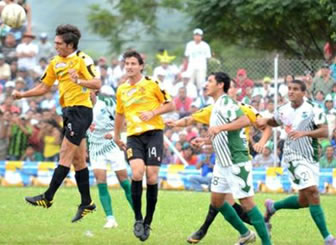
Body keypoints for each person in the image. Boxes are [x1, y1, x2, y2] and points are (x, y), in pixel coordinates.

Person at [167, 73, 271, 245]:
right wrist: (207, 139)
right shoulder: (215, 106)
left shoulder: (227, 102)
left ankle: (267, 242)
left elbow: (244, 121)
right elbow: (224, 133)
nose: (206, 84)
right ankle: (245, 234)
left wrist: (219, 128)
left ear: (221, 85)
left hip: (236, 161)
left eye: (210, 81)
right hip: (222, 163)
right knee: (217, 201)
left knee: (247, 203)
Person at [12, 24, 101, 222]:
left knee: (64, 154)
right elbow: (44, 87)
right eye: (55, 43)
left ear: (70, 45)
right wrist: (22, 94)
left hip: (81, 111)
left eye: (59, 43)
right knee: (78, 160)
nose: (55, 46)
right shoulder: (55, 62)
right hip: (68, 112)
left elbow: (97, 83)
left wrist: (79, 81)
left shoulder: (83, 60)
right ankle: (87, 203)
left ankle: (48, 196)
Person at [257, 79, 336, 244]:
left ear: (303, 93)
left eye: (295, 89)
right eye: (289, 89)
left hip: (311, 158)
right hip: (292, 157)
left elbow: (325, 130)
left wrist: (304, 133)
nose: (291, 91)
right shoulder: (283, 110)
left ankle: (273, 206)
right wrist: (265, 120)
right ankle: (328, 238)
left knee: (304, 200)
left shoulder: (314, 108)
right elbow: (274, 121)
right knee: (313, 192)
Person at [113, 50, 174, 241]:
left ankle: (148, 220)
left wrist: (153, 113)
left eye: (133, 63)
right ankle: (138, 219)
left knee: (152, 175)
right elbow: (120, 114)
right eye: (127, 64)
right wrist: (116, 135)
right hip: (133, 137)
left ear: (140, 66)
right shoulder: (121, 89)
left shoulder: (151, 83)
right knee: (137, 172)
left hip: (154, 134)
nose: (129, 67)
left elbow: (169, 104)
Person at [87, 86, 133, 229]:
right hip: (95, 149)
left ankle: (139, 215)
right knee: (101, 181)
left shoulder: (106, 104)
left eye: (87, 90)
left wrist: (114, 135)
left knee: (124, 182)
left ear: (95, 91)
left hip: (112, 146)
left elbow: (124, 123)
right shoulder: (81, 108)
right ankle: (110, 219)